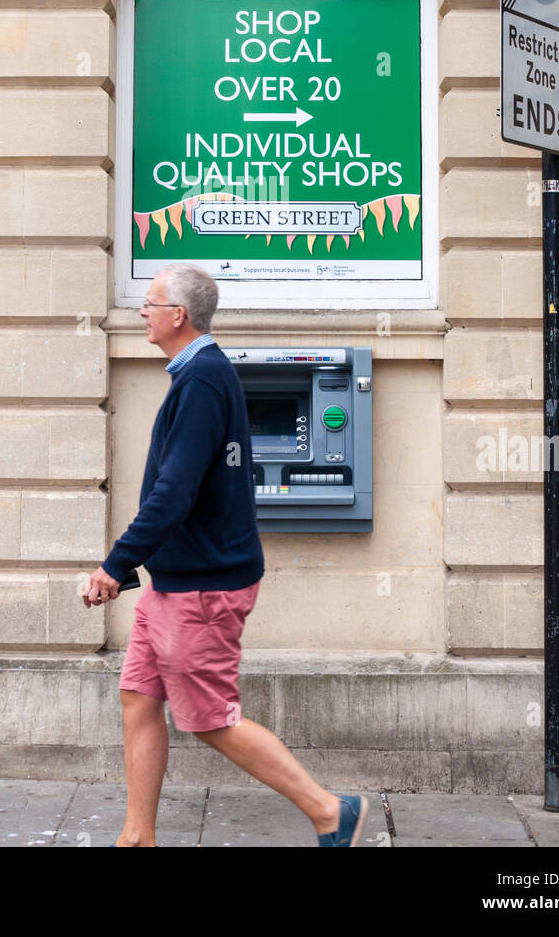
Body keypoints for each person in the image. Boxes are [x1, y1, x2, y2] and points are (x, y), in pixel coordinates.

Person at [81, 262, 368, 849]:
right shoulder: (198, 375)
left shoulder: (203, 382)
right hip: (176, 582)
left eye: (150, 302)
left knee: (211, 718)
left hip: (201, 588)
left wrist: (116, 564)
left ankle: (329, 812)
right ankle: (138, 837)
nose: (142, 311)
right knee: (138, 697)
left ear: (177, 315)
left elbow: (174, 491)